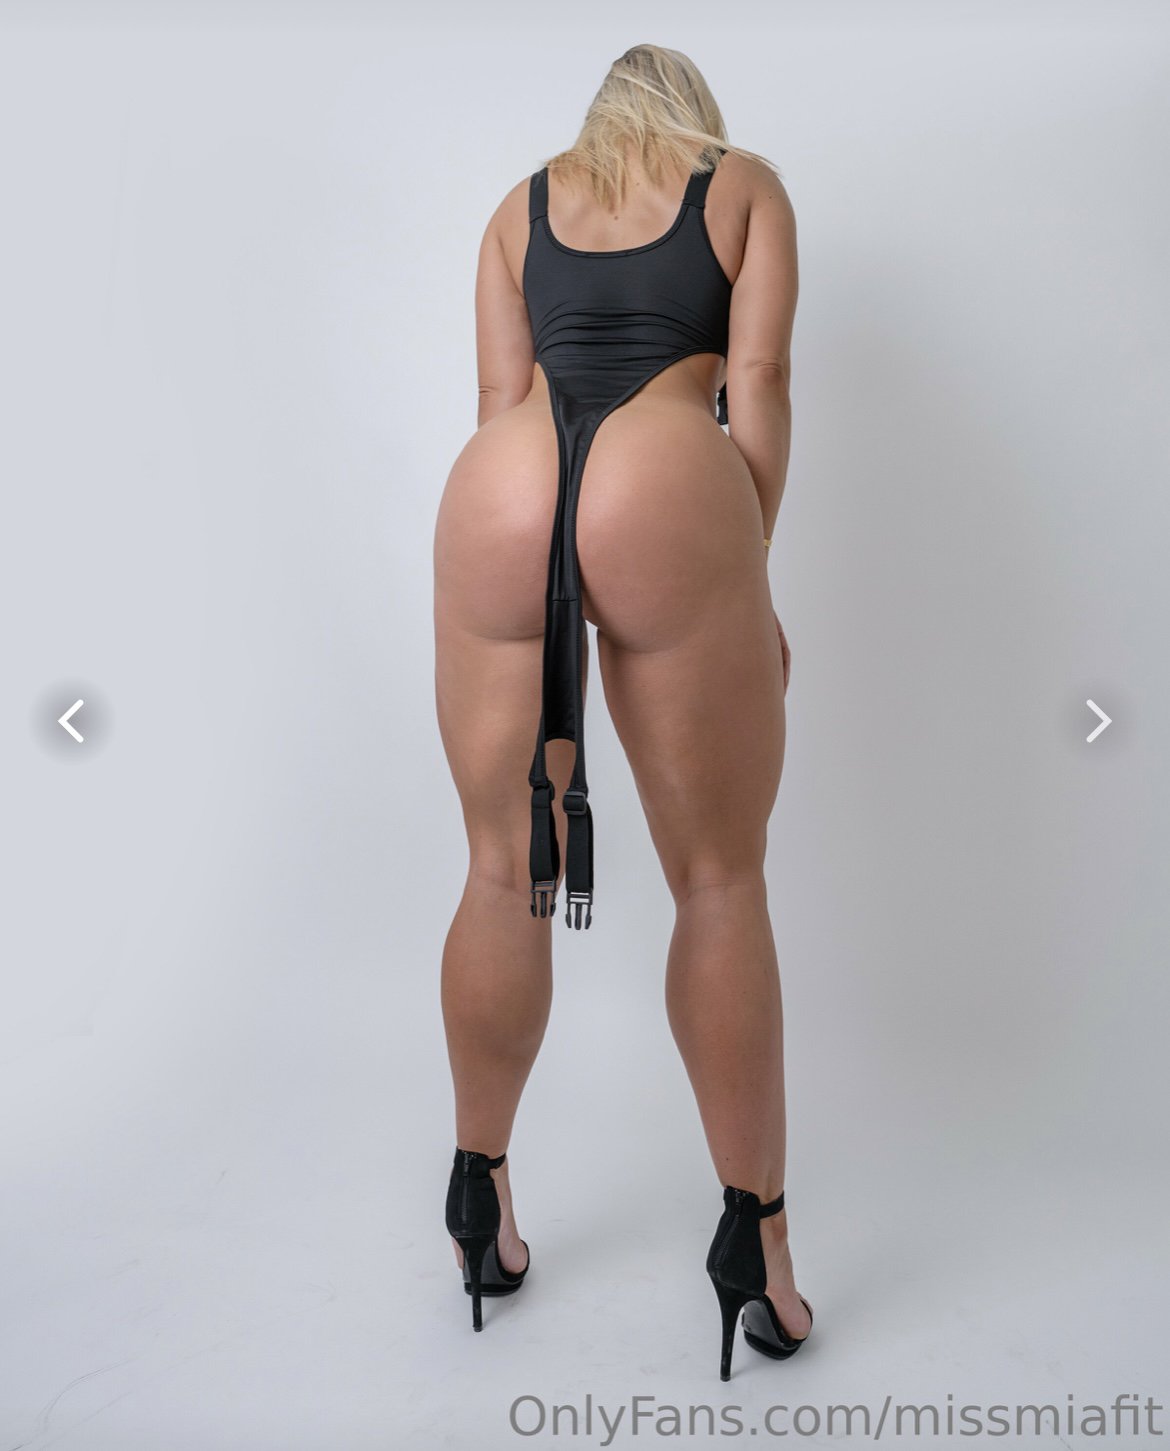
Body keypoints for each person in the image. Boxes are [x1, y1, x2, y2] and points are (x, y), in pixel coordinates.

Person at [432, 43, 810, 1377]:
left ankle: (477, 1195)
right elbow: (758, 386)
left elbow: (499, 395)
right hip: (665, 477)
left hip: (503, 484)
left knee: (500, 866)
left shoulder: (517, 207)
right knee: (718, 880)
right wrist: (740, 562)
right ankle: (755, 1242)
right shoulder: (743, 188)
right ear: (695, 120)